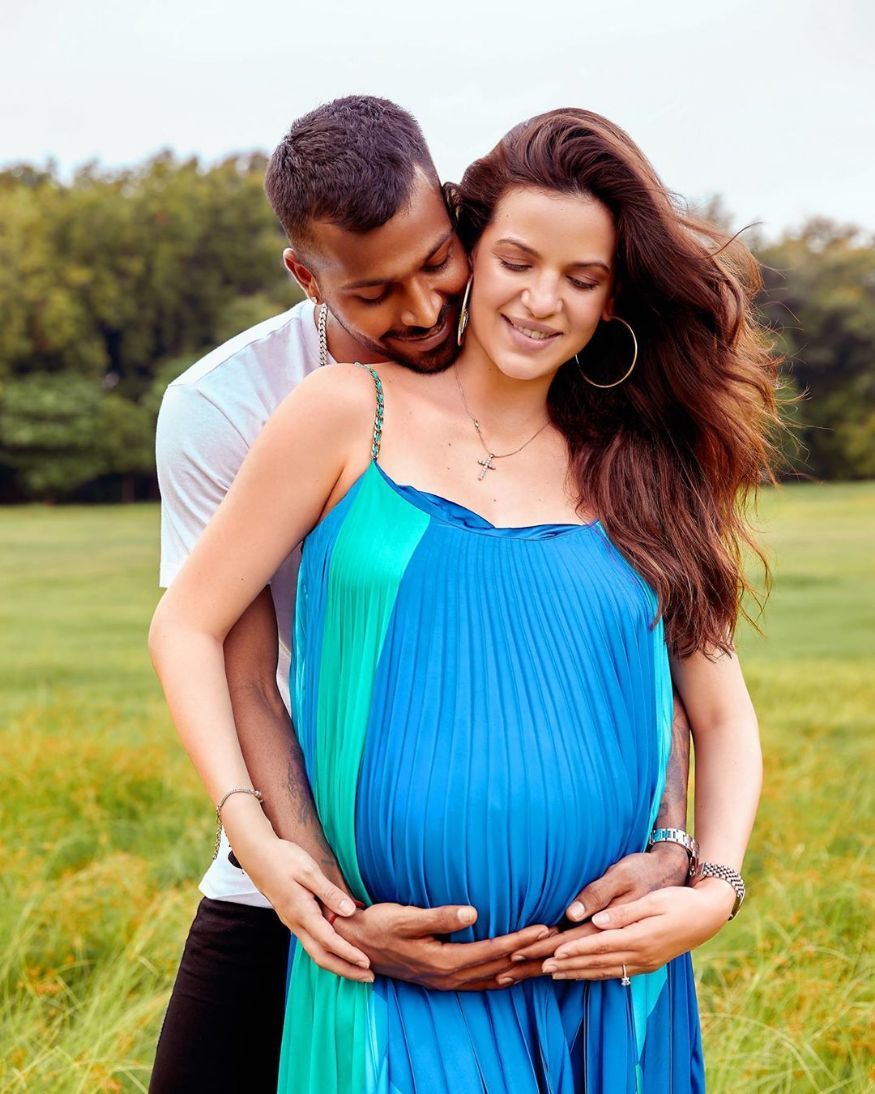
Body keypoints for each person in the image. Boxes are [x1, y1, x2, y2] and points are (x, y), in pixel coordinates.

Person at [148, 99, 724, 1091]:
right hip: (291, 844)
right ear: (306, 276)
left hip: (556, 941)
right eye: (372, 292)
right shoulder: (228, 405)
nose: (419, 310)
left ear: (457, 219)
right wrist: (326, 895)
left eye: (434, 265)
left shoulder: (546, 374)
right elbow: (242, 672)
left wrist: (673, 838)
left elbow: (630, 639)